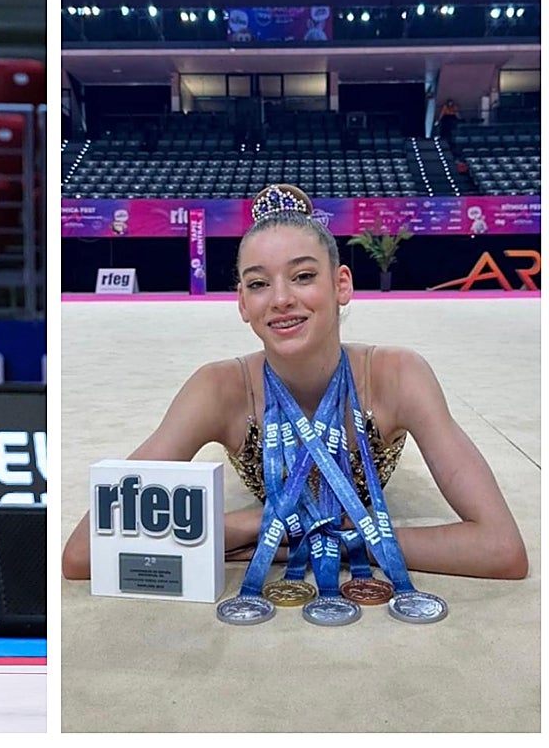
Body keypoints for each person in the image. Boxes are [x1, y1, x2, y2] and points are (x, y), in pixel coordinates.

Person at [61, 183, 527, 582]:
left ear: (341, 284)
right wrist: (259, 522)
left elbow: (501, 548)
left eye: (303, 276)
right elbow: (82, 553)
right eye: (258, 284)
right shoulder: (218, 390)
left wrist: (345, 537)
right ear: (242, 303)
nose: (281, 299)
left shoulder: (397, 377)